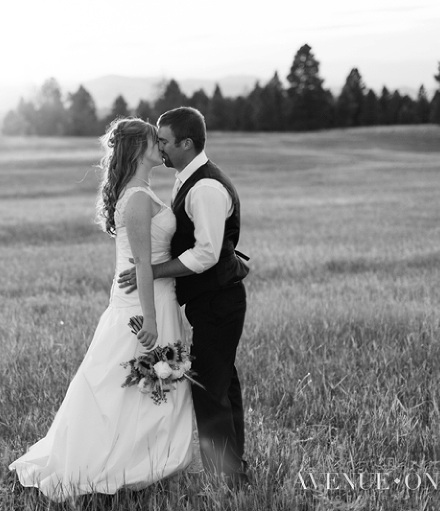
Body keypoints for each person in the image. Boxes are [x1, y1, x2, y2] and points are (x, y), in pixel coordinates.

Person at [9, 118, 194, 501]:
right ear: (138, 150)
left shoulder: (139, 191)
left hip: (150, 297)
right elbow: (142, 264)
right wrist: (152, 320)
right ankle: (124, 462)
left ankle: (143, 459)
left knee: (139, 386)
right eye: (152, 140)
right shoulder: (139, 198)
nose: (160, 145)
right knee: (132, 385)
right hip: (145, 305)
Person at [118, 106, 251, 489]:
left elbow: (207, 253)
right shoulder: (187, 178)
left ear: (186, 143)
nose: (158, 146)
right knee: (222, 384)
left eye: (164, 140)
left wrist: (154, 271)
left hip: (219, 301)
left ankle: (225, 479)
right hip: (210, 300)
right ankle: (232, 470)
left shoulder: (205, 187)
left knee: (209, 388)